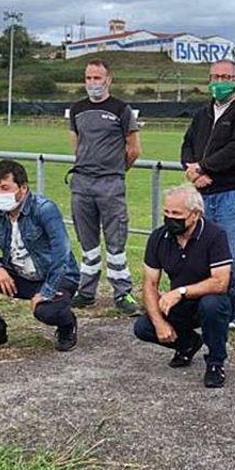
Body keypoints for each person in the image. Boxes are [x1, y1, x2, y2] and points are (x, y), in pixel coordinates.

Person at [0, 160, 82, 354]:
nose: (0, 194)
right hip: (21, 275)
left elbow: (62, 254)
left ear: (23, 188)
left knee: (46, 311)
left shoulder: (44, 209)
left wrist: (47, 292)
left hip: (57, 277)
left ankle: (67, 324)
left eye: (5, 188)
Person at [180, 59, 235, 332]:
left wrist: (204, 167)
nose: (220, 81)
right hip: (203, 193)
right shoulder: (203, 113)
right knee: (205, 252)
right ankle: (211, 306)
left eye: (226, 76)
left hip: (234, 193)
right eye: (215, 76)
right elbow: (188, 143)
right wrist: (191, 170)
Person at [133, 185, 235, 388]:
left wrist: (180, 292)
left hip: (220, 298)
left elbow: (220, 283)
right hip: (184, 301)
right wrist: (158, 323)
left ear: (195, 214)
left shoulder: (215, 235)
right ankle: (187, 343)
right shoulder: (158, 237)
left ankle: (216, 362)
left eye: (176, 213)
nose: (170, 218)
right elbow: (149, 283)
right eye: (166, 212)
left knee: (211, 305)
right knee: (143, 327)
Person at [68, 58, 142, 316]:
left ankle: (122, 293)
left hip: (111, 184)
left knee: (116, 242)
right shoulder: (76, 109)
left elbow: (134, 150)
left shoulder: (122, 109)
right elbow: (76, 146)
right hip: (81, 184)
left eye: (97, 78)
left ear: (108, 80)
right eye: (88, 78)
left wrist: (115, 172)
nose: (93, 83)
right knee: (87, 242)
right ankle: (86, 292)